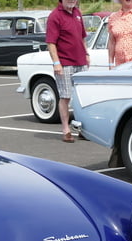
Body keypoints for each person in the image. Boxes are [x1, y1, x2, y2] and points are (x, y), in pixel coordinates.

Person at [45, 0, 90, 143]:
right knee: (65, 96)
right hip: (64, 63)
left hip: (81, 62)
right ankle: (66, 130)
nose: (71, 0)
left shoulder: (77, 13)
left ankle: (83, 129)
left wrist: (86, 54)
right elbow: (51, 43)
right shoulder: (55, 16)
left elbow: (82, 37)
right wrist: (56, 63)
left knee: (82, 97)